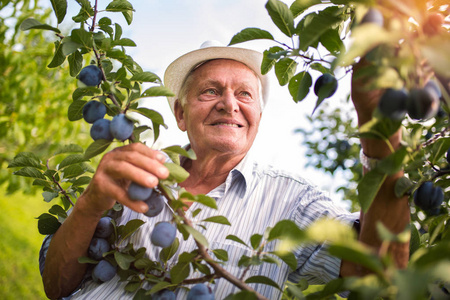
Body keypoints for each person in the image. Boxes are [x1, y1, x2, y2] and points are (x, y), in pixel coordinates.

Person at [39, 41, 410, 300]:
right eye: (210, 91)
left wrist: (382, 136)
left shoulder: (291, 202)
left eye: (245, 94)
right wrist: (90, 204)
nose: (229, 104)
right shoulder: (135, 173)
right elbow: (55, 284)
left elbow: (380, 274)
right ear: (181, 115)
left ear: (257, 120)